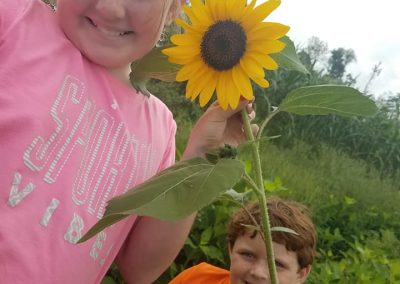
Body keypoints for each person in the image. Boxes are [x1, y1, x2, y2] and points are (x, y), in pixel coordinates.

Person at [0, 0, 256, 283]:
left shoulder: (160, 128)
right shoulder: (14, 19)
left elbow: (140, 267)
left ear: (174, 8)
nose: (110, 8)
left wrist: (200, 156)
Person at [170, 197, 317, 284]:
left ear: (301, 274)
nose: (258, 273)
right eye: (247, 255)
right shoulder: (198, 278)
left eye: (277, 264)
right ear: (230, 249)